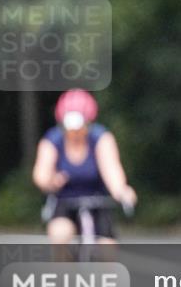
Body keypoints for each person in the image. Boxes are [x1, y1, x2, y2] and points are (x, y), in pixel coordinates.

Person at [32, 89, 137, 246]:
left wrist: (121, 191)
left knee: (106, 247)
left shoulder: (101, 138)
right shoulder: (52, 140)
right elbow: (41, 174)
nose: (74, 132)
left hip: (98, 203)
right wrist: (51, 181)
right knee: (59, 235)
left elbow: (111, 170)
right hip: (64, 204)